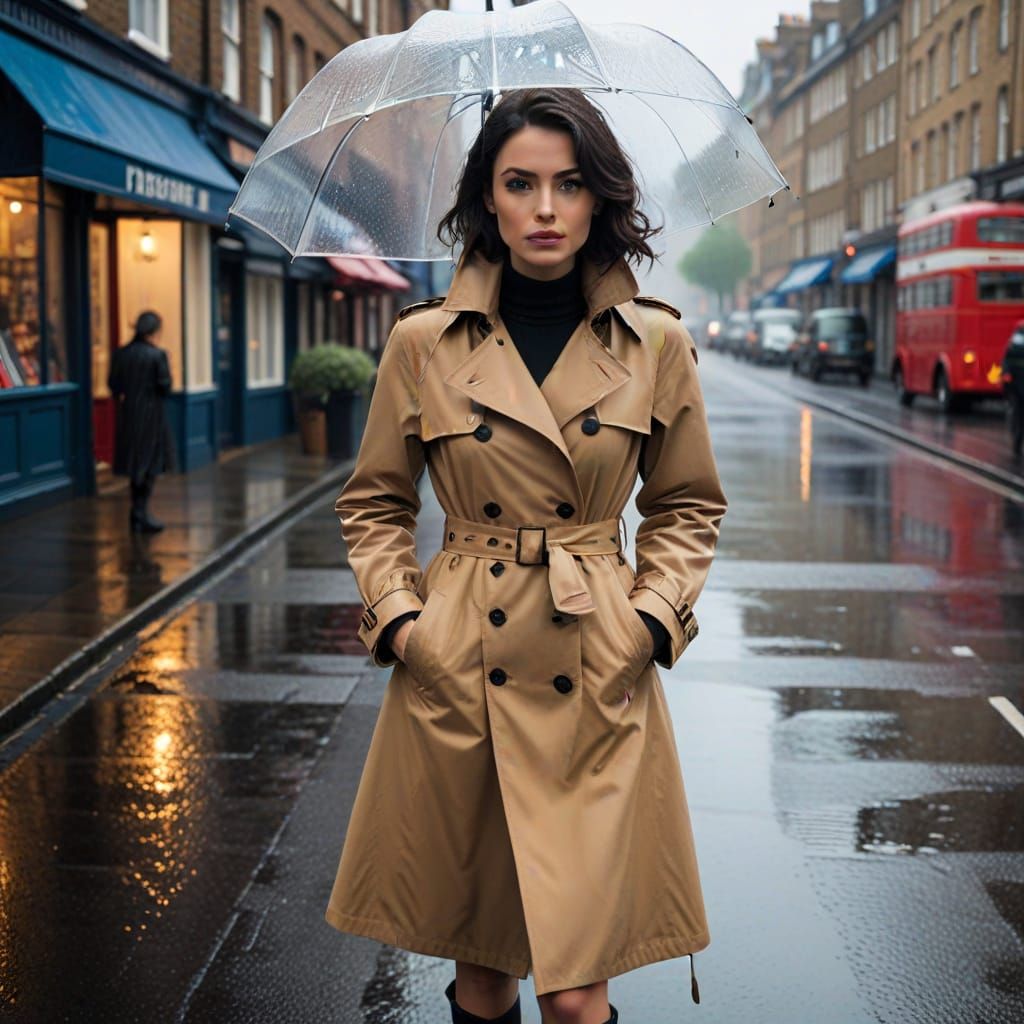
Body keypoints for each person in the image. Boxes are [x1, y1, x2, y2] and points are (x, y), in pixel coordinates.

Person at [325, 88, 727, 1024]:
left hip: (596, 667)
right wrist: (404, 625)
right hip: (464, 663)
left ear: (599, 201)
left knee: (578, 992)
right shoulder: (422, 342)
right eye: (520, 183)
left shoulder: (656, 342)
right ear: (488, 199)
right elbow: (376, 502)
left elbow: (687, 504)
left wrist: (652, 621)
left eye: (569, 184)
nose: (545, 209)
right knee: (485, 973)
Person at [108, 311, 176, 533]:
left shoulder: (121, 354)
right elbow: (165, 387)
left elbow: (113, 385)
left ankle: (138, 512)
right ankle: (140, 512)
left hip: (129, 414)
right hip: (152, 415)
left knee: (136, 463)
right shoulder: (157, 355)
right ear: (154, 330)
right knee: (150, 464)